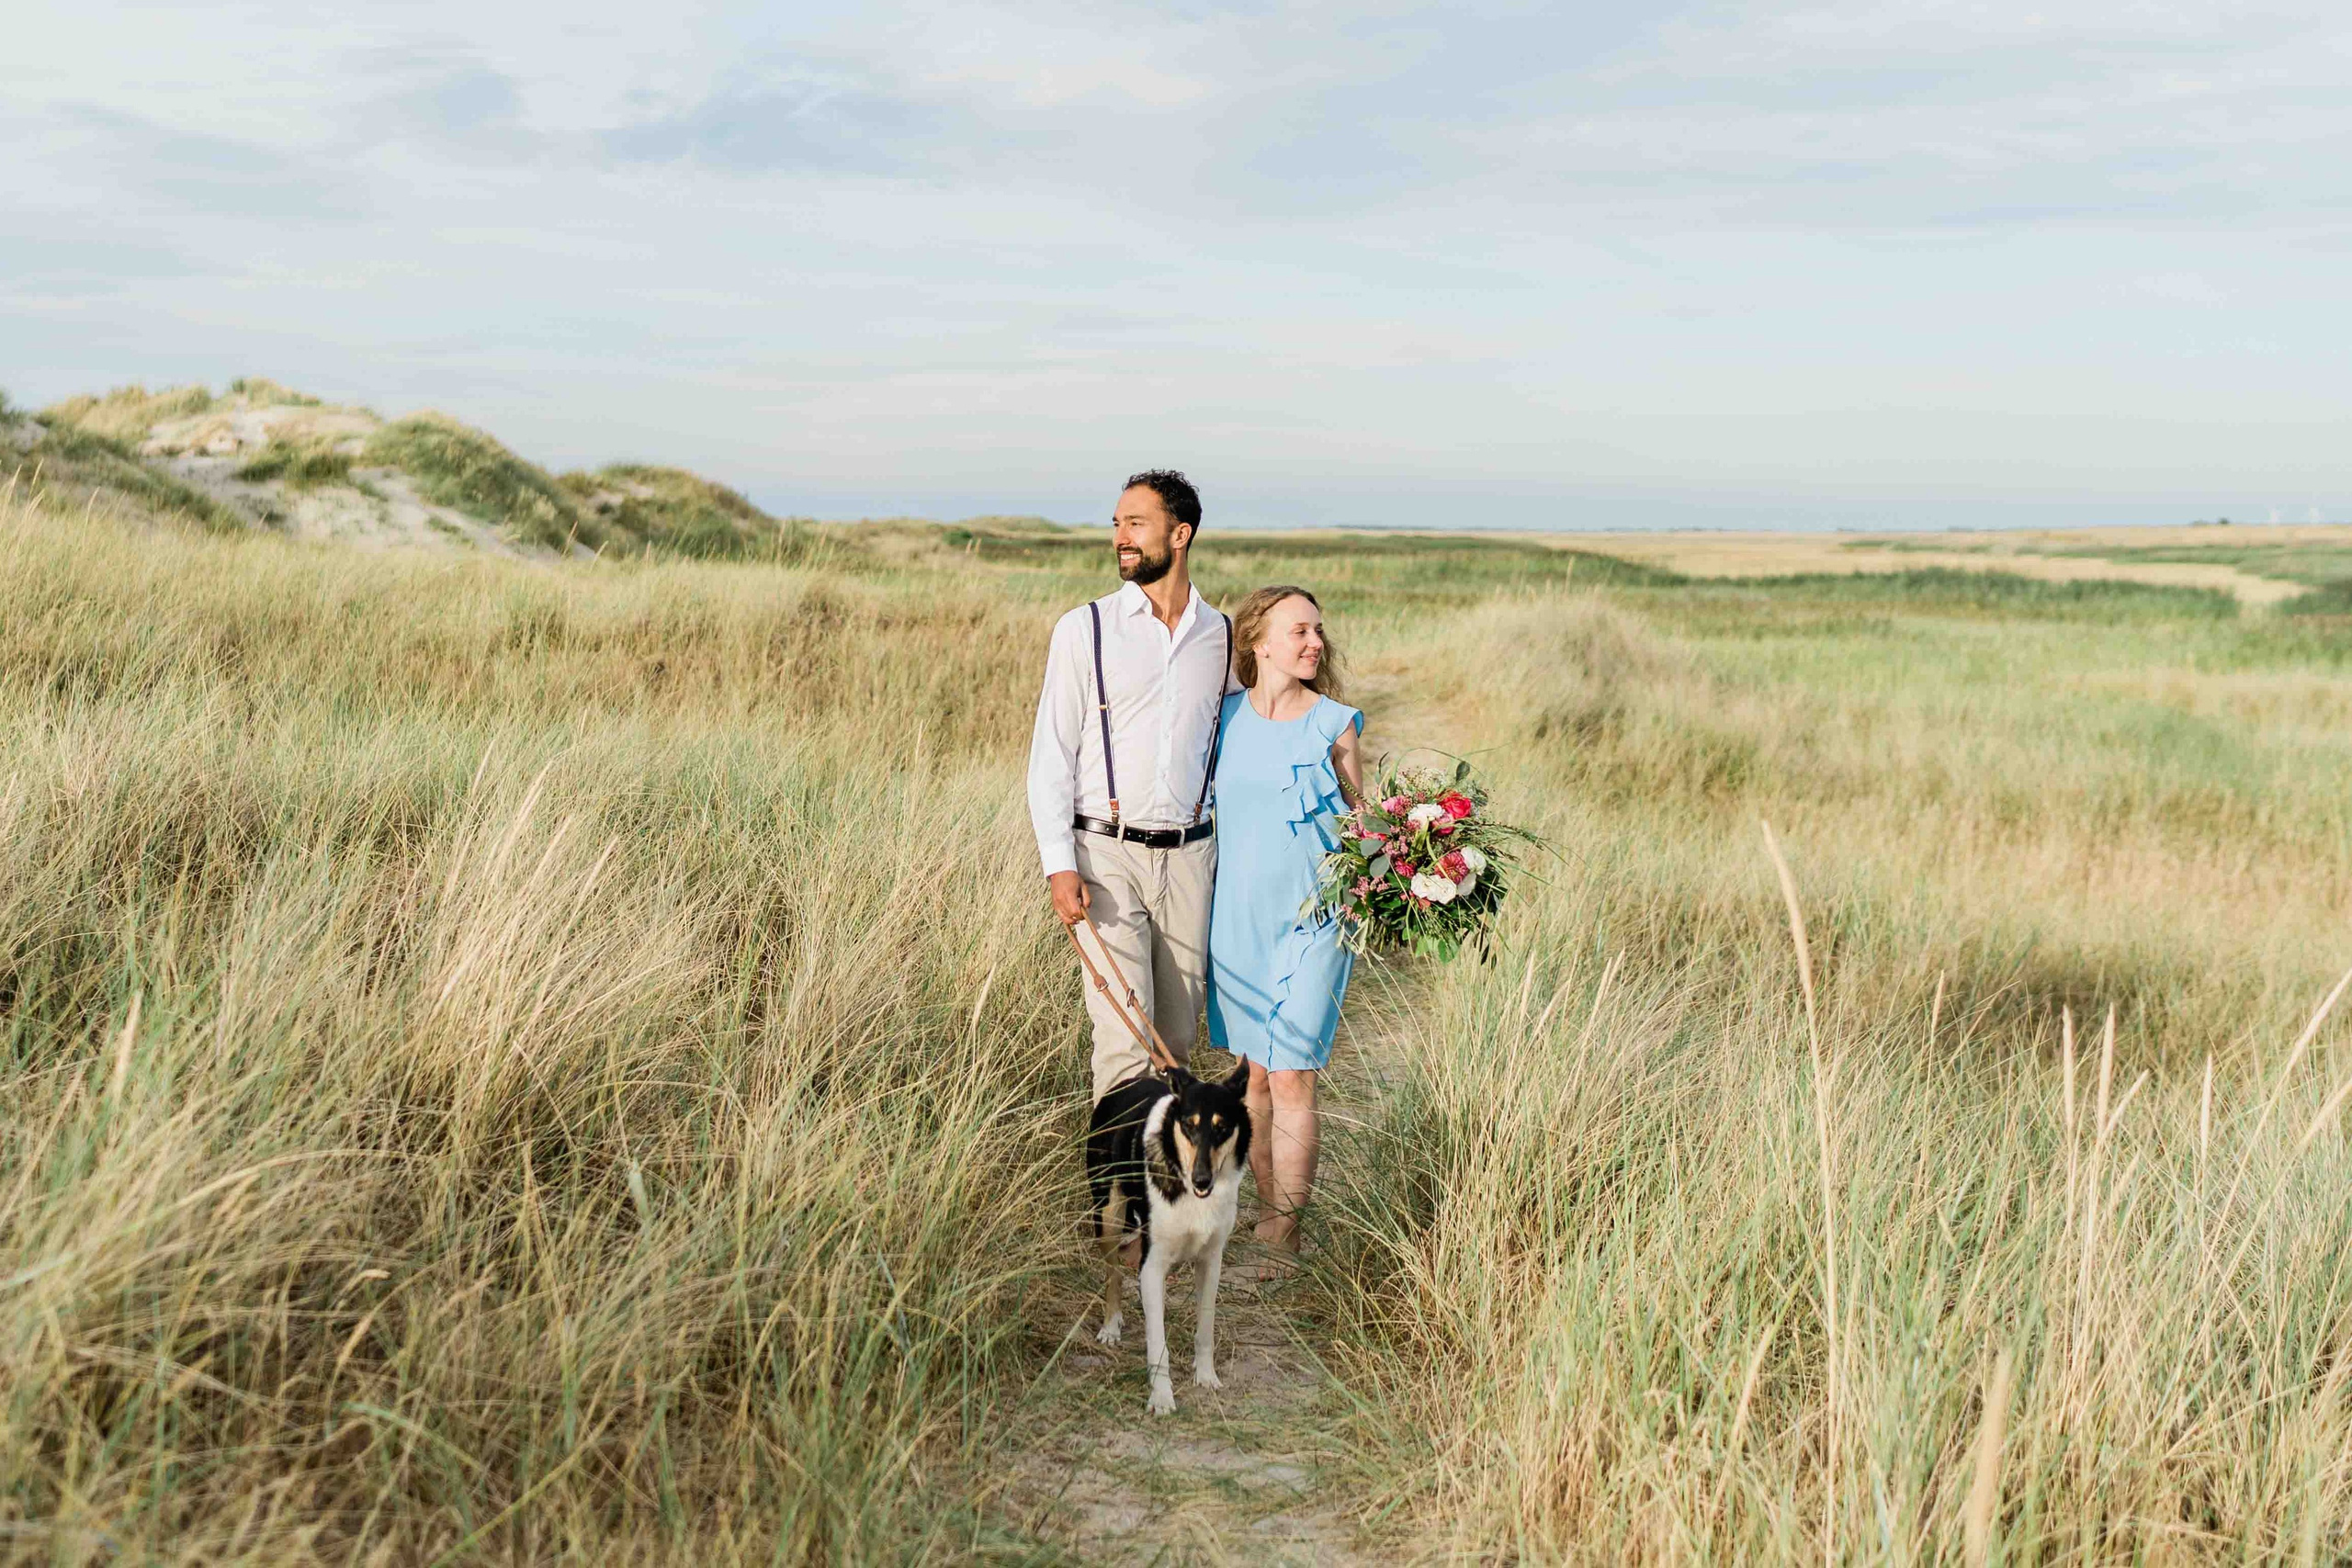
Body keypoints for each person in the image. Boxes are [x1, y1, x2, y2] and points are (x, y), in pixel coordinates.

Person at [1027, 470, 1234, 1107]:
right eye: (1116, 523)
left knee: (1173, 1039)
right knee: (1125, 1039)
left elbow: (1250, 740)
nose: (1119, 536)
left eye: (1134, 523)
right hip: (1105, 856)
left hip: (1192, 859)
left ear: (1180, 534)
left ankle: (1162, 1193)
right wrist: (1058, 866)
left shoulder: (1221, 635)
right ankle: (1117, 1205)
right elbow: (1051, 756)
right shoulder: (1083, 629)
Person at [1204, 585, 1363, 1272]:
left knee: (1294, 1070)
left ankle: (1284, 1236)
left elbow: (1368, 826)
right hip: (1236, 920)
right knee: (1256, 1076)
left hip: (1316, 921)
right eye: (1299, 631)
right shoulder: (1223, 718)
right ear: (1259, 641)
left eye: (1318, 632)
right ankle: (1266, 1213)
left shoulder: (1335, 723)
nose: (1315, 643)